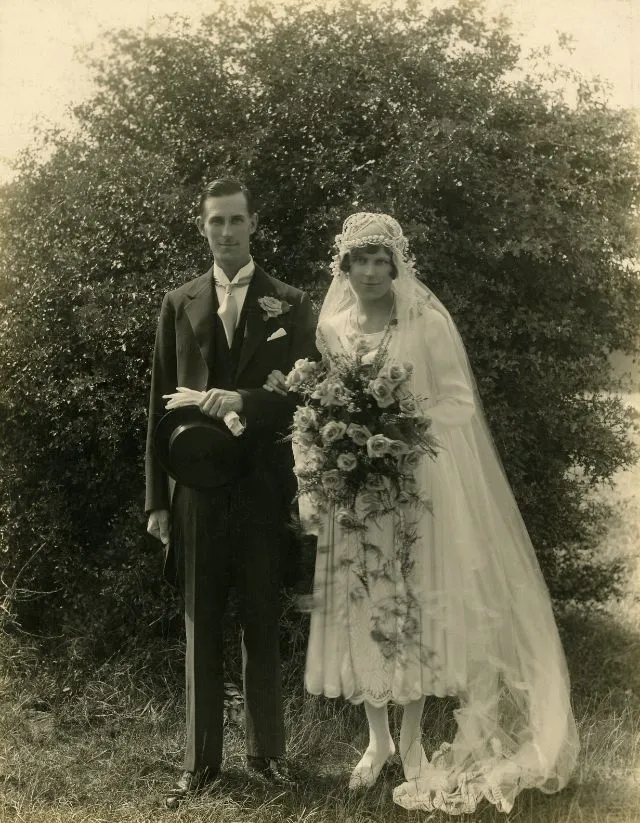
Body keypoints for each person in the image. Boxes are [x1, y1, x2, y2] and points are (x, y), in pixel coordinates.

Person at [264, 213, 579, 815]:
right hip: (351, 493)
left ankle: (412, 743)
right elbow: (311, 406)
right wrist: (321, 463)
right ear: (345, 267)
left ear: (397, 266)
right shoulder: (329, 329)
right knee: (363, 603)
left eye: (383, 261)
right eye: (361, 260)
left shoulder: (425, 323)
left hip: (413, 489)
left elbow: (458, 402)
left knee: (411, 607)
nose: (373, 272)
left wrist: (398, 430)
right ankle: (376, 741)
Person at [145, 178, 317, 808]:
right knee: (200, 618)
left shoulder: (290, 303)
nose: (226, 232)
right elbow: (158, 407)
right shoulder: (178, 302)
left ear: (253, 223)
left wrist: (246, 399)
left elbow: (305, 398)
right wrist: (157, 501)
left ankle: (267, 754)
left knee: (261, 621)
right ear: (202, 227)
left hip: (262, 484)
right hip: (193, 487)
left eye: (236, 220)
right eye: (215, 221)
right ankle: (201, 761)